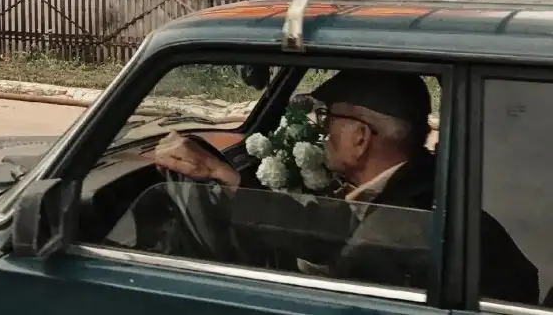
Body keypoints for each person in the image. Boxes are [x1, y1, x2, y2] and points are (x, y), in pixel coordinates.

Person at [123, 69, 539, 303]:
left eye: (329, 120)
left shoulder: (399, 230)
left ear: (361, 137)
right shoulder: (409, 188)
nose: (322, 131)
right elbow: (328, 228)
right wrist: (226, 176)